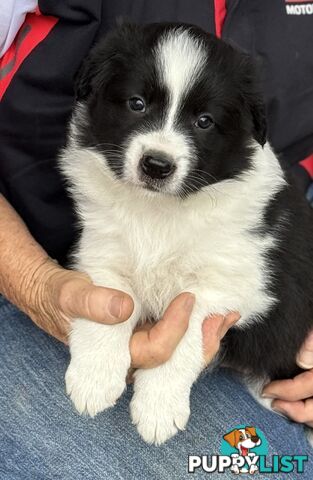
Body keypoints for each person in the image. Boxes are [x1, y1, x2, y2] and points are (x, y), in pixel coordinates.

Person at [0, 1, 312, 478]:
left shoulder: (244, 196)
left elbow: (233, 284)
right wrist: (39, 285)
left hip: (259, 346)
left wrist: (175, 365)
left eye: (203, 122)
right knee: (263, 468)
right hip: (24, 266)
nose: (162, 148)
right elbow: (107, 263)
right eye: (138, 104)